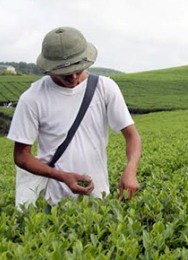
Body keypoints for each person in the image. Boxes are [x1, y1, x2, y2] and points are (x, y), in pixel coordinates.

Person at [7, 27, 142, 207]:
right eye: (63, 71)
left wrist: (131, 168)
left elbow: (132, 136)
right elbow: (21, 156)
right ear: (49, 68)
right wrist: (62, 177)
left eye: (78, 67)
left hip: (98, 196)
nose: (73, 76)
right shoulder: (32, 98)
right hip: (52, 202)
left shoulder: (105, 88)